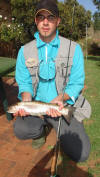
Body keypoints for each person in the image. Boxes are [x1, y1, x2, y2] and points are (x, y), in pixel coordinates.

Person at [13, 0, 91, 162]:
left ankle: (59, 128)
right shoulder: (24, 51)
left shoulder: (74, 48)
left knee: (81, 154)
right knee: (20, 129)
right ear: (36, 21)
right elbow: (24, 82)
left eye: (51, 17)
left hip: (62, 106)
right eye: (41, 17)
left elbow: (76, 83)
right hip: (36, 107)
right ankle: (40, 131)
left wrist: (61, 99)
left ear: (58, 21)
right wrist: (26, 101)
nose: (46, 21)